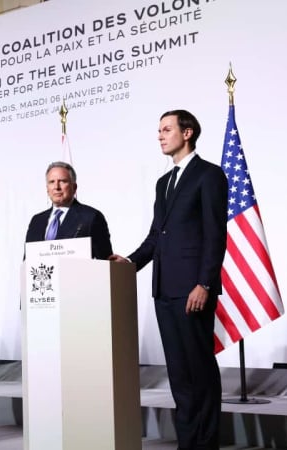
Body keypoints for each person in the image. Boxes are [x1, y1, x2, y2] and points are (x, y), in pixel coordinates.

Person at [110, 110, 227, 449]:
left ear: (187, 133)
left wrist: (205, 284)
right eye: (159, 130)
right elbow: (156, 237)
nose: (160, 136)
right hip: (164, 290)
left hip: (193, 290)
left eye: (166, 129)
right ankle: (187, 442)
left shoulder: (209, 175)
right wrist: (129, 262)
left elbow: (215, 235)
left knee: (199, 371)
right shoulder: (164, 182)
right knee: (179, 374)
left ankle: (205, 444)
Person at [25, 161, 113, 259]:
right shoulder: (36, 221)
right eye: (52, 182)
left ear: (74, 187)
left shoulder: (91, 217)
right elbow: (27, 261)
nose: (56, 187)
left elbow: (106, 261)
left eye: (62, 181)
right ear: (47, 189)